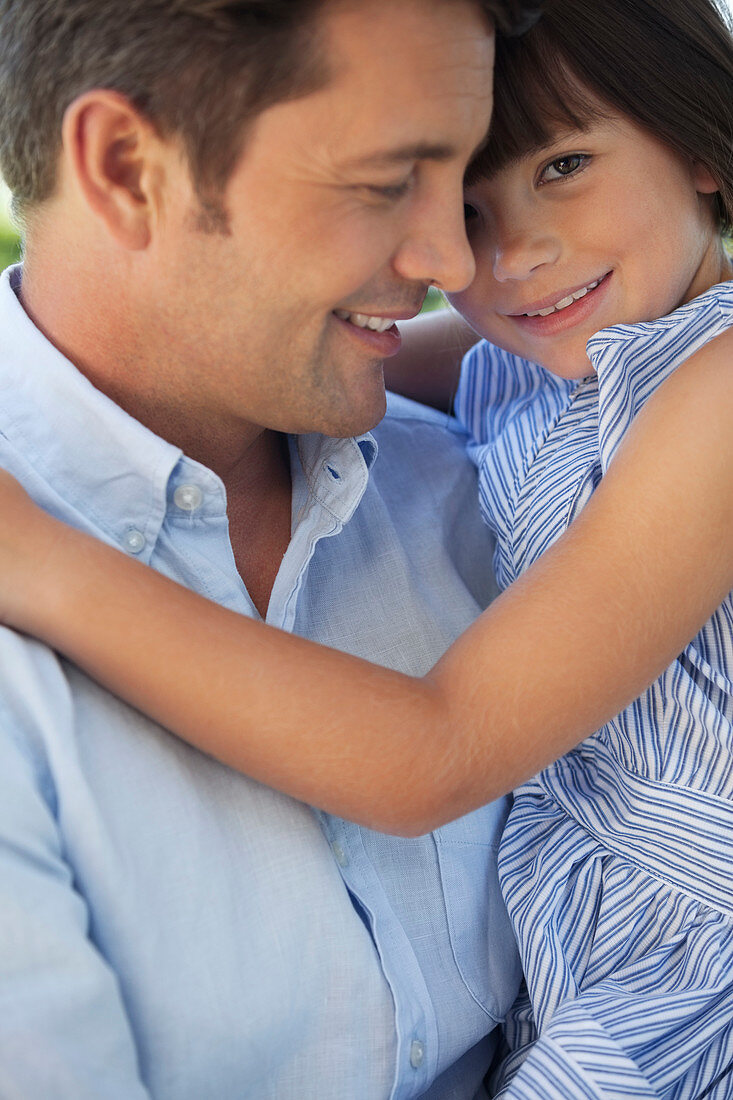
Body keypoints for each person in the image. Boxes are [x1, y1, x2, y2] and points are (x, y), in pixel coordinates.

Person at [2, 0, 732, 1095]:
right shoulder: (534, 365)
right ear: (123, 166)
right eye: (398, 180)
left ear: (699, 144)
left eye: (564, 165)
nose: (466, 258)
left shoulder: (688, 399)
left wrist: (37, 563)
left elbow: (432, 751)